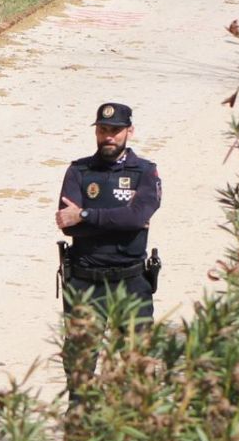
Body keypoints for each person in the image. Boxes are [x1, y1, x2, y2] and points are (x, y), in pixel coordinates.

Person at [56, 101, 161, 331]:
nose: (108, 137)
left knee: (137, 363)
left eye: (115, 130)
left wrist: (84, 214)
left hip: (131, 281)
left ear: (129, 131)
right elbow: (68, 225)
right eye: (103, 130)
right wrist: (122, 220)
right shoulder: (79, 171)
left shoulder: (144, 172)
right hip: (86, 282)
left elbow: (135, 217)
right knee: (78, 363)